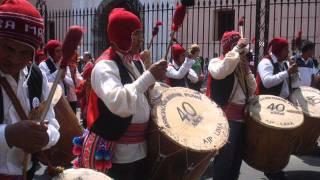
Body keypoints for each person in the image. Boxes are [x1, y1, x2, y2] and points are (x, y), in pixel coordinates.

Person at [74, 8, 167, 180]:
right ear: (121, 36)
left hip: (142, 149)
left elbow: (145, 92)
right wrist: (148, 77)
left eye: (140, 33)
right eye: (135, 34)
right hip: (118, 154)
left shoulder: (136, 61)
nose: (141, 39)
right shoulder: (104, 66)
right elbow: (118, 102)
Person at [0, 0, 60, 178]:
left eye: (25, 52)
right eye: (7, 48)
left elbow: (53, 124)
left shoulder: (36, 76)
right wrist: (7, 135)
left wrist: (46, 137)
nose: (14, 59)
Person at [203, 31, 256, 180]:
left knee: (236, 160)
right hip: (226, 119)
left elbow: (252, 88)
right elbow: (222, 71)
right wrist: (237, 50)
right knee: (224, 160)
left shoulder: (240, 66)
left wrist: (246, 70)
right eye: (237, 46)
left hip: (242, 120)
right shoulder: (216, 62)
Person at [256, 37, 298, 180]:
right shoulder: (266, 62)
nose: (288, 52)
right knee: (272, 141)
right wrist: (287, 73)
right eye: (286, 49)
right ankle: (270, 168)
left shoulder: (284, 64)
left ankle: (276, 167)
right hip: (270, 107)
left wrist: (293, 72)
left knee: (281, 141)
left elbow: (290, 83)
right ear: (279, 50)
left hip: (282, 106)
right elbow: (267, 82)